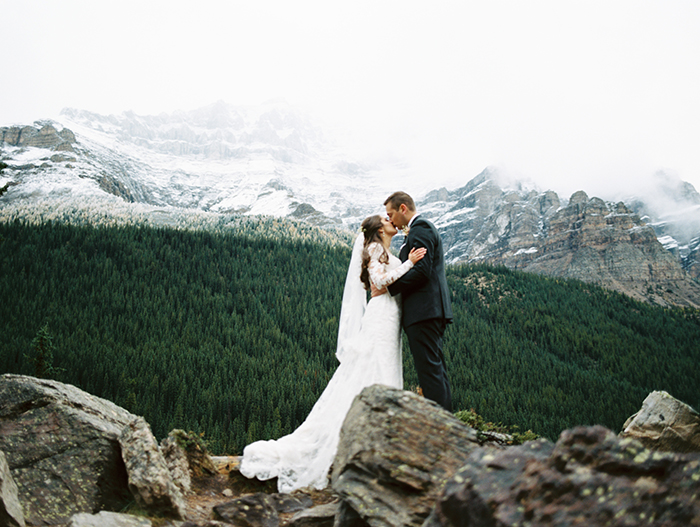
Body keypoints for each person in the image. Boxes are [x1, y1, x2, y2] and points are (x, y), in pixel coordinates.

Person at [239, 214, 426, 493]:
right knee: (372, 371)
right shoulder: (375, 248)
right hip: (381, 316)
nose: (391, 221)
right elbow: (380, 280)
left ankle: (376, 440)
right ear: (377, 230)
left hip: (391, 318)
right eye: (386, 219)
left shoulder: (386, 250)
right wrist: (410, 263)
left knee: (383, 368)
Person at [383, 191, 453, 411]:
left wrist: (390, 287)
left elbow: (422, 271)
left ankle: (441, 426)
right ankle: (447, 421)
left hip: (424, 311)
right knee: (435, 369)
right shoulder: (417, 230)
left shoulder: (420, 228)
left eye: (391, 214)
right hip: (428, 310)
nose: (390, 219)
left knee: (429, 371)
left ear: (403, 208)